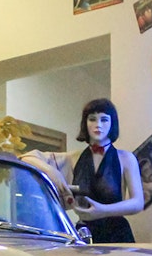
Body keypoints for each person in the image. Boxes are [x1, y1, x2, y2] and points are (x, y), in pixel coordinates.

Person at [20, 98, 144, 243]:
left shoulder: (126, 158)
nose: (98, 125)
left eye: (104, 120)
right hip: (84, 234)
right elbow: (26, 157)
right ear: (85, 123)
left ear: (112, 123)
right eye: (92, 119)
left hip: (117, 235)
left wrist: (103, 210)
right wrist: (51, 172)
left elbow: (138, 202)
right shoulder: (73, 158)